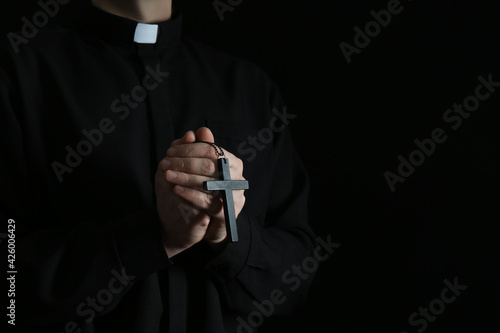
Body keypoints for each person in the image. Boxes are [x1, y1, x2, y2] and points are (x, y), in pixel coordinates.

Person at [0, 0, 316, 332]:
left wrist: (228, 236)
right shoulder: (18, 70)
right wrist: (153, 237)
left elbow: (297, 283)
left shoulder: (251, 88)